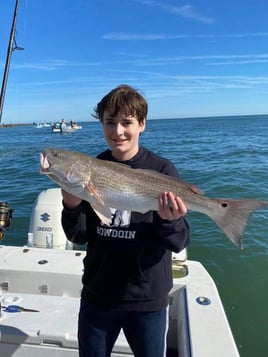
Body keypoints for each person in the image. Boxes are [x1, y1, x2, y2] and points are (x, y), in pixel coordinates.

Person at [61, 84, 190, 357]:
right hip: (98, 294)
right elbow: (79, 236)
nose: (117, 131)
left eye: (126, 122)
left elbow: (179, 241)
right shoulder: (91, 168)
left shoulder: (162, 170)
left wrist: (168, 220)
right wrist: (71, 204)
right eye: (110, 122)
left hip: (147, 299)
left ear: (142, 124)